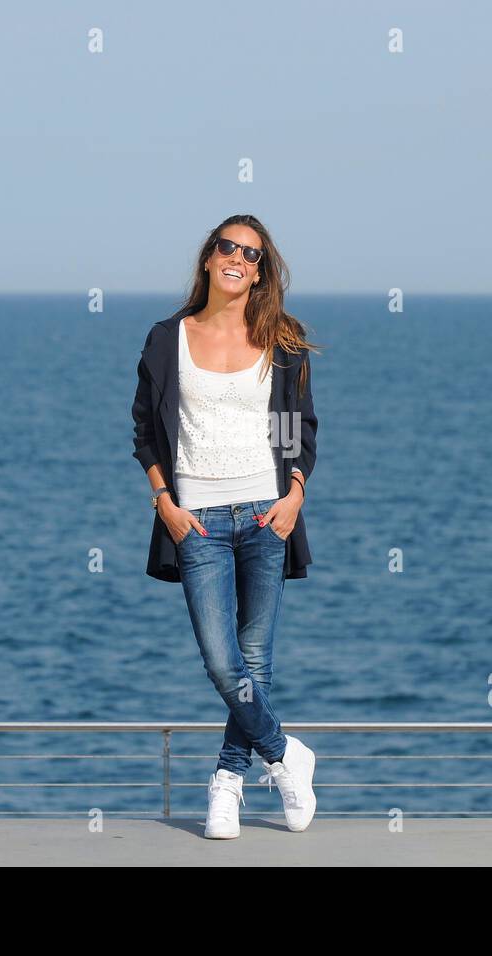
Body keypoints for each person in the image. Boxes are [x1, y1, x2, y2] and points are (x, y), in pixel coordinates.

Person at [130, 214, 320, 838]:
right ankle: (285, 753)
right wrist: (165, 503)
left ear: (261, 271)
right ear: (209, 257)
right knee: (221, 659)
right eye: (228, 247)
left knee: (255, 660)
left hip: (267, 514)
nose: (238, 258)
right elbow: (146, 432)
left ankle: (227, 787)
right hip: (199, 522)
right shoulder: (168, 338)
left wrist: (293, 496)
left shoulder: (281, 340)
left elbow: (300, 429)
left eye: (251, 254)